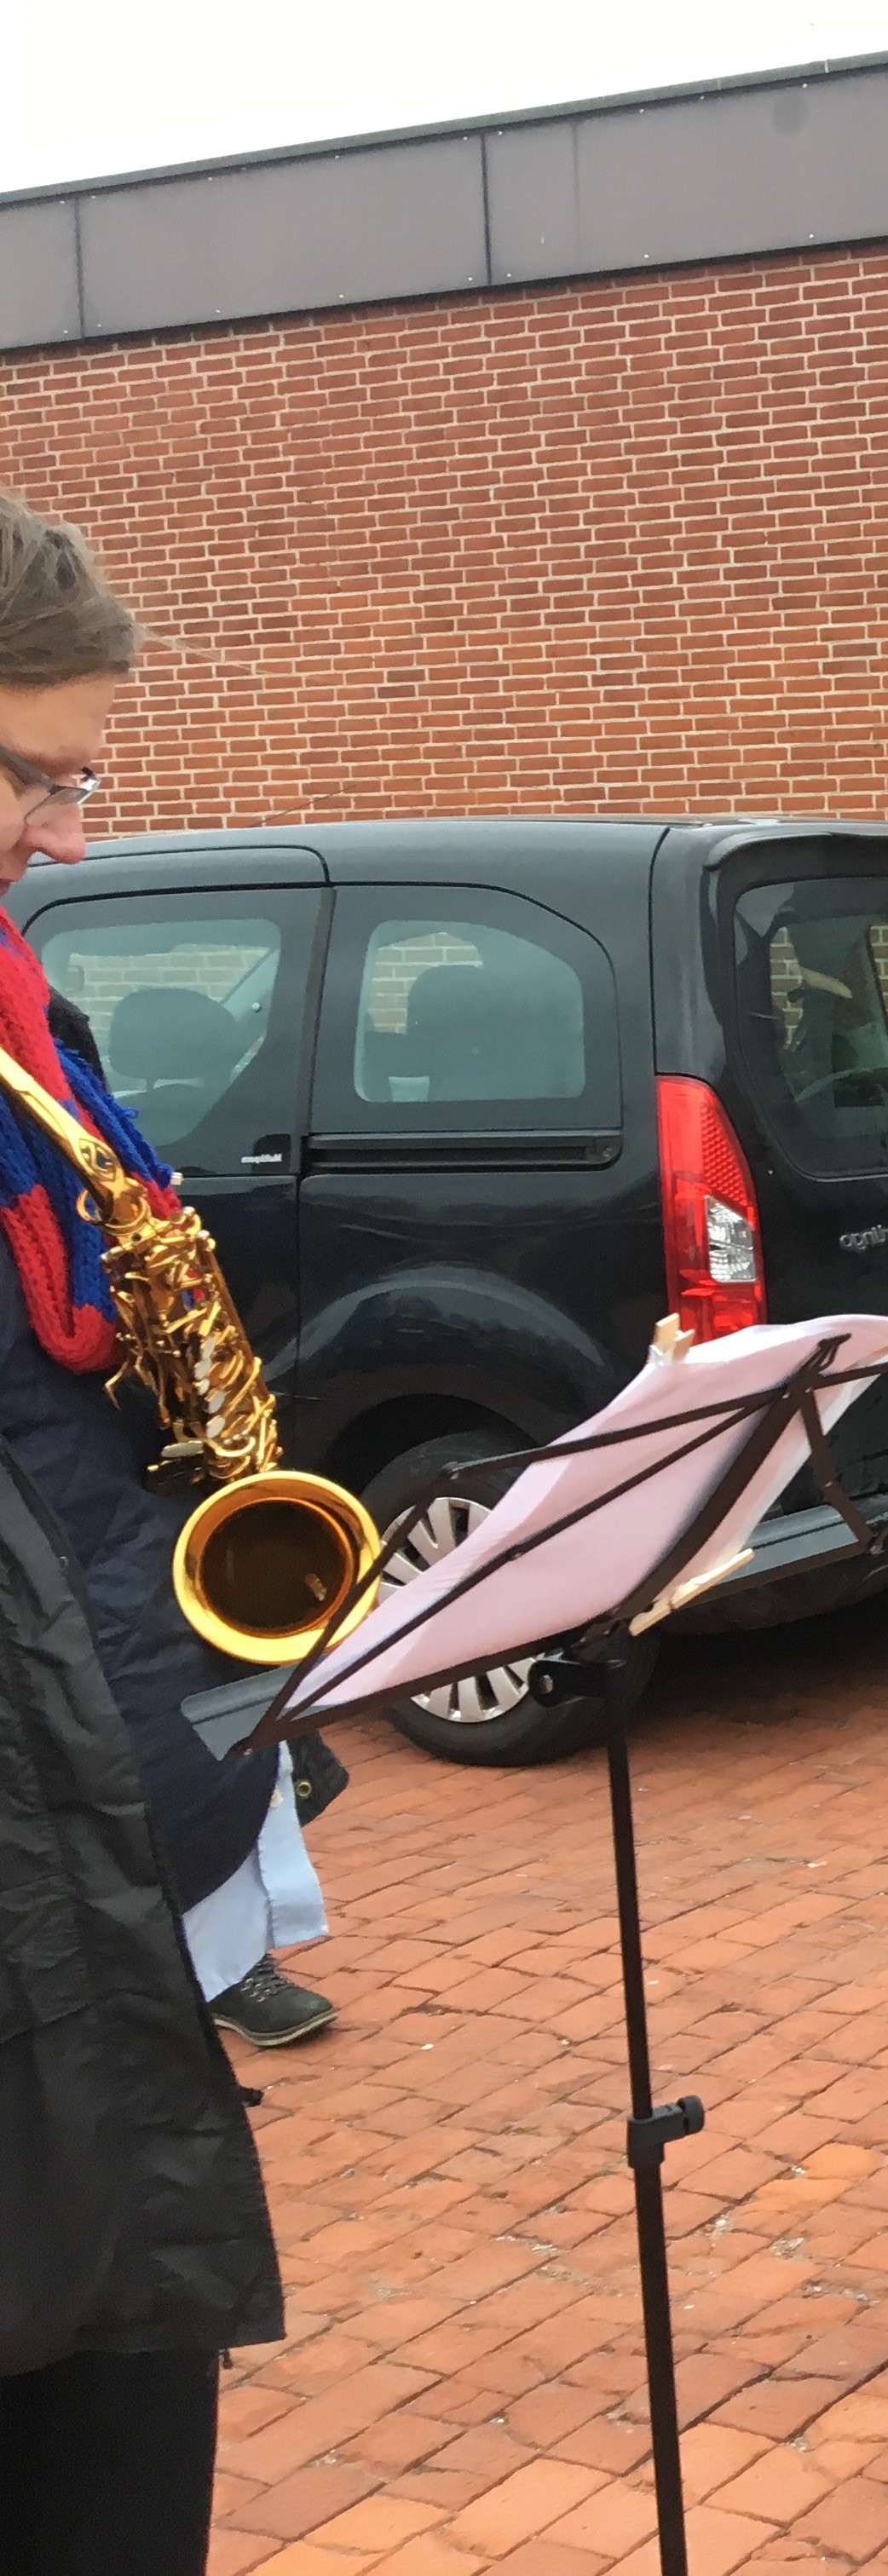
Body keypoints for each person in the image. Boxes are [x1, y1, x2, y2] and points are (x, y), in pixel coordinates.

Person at [0, 493, 286, 2572]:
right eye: (33, 774)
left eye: (87, 777)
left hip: (88, 1862)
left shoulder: (31, 1018)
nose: (74, 835)